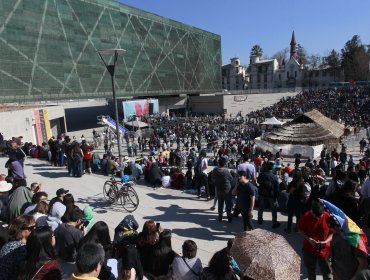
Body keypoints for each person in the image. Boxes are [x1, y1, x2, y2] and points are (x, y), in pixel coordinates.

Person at [297, 199, 333, 280]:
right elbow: (300, 229)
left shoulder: (327, 216)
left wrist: (325, 241)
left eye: (320, 216)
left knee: (327, 273)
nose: (318, 218)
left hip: (324, 250)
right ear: (312, 211)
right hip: (309, 249)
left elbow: (333, 232)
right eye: (316, 216)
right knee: (311, 271)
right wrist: (309, 239)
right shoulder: (306, 216)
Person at [327, 216, 367, 280]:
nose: (329, 229)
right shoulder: (334, 237)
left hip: (351, 276)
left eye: (330, 227)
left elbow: (363, 262)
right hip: (338, 275)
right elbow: (329, 256)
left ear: (336, 227)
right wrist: (333, 272)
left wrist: (354, 278)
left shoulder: (353, 239)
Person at [0, 215, 36, 280]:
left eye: (36, 226)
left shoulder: (9, 243)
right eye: (31, 228)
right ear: (21, 229)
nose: (34, 230)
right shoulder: (21, 249)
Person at [257, 161, 280, 228]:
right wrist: (277, 195)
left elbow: (258, 181)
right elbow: (277, 187)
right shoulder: (274, 177)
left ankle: (260, 219)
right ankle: (274, 222)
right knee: (273, 209)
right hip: (272, 195)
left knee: (261, 207)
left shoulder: (262, 174)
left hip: (262, 194)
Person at [213, 157, 233, 223]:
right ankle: (229, 218)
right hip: (226, 189)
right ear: (224, 164)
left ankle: (220, 218)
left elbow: (213, 178)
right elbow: (231, 179)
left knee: (220, 204)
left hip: (219, 189)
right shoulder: (226, 171)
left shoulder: (215, 170)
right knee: (228, 205)